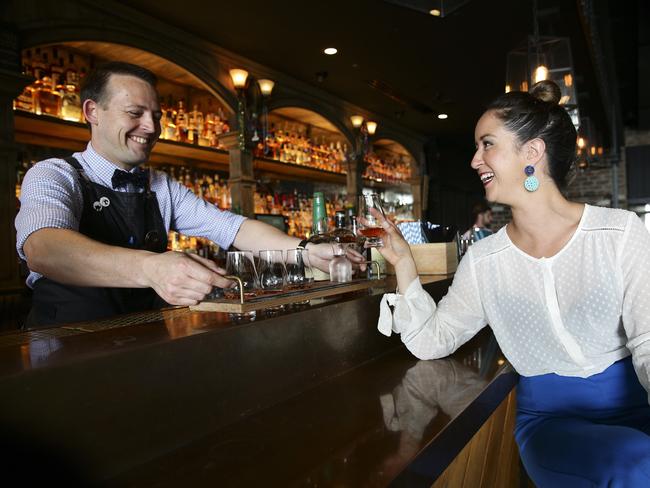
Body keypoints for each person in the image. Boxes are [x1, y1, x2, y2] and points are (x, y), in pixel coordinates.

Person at [373, 80, 650, 487]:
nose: (474, 160)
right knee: (634, 465)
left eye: (487, 144)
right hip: (551, 423)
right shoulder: (485, 261)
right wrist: (404, 263)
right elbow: (432, 340)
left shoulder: (620, 233)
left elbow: (647, 342)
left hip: (636, 406)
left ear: (532, 153)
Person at [15, 61, 364, 327]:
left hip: (143, 342)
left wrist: (305, 252)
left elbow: (235, 228)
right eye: (135, 114)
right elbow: (44, 249)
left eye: (156, 116)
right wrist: (152, 268)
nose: (151, 128)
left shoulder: (161, 185)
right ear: (92, 111)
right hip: (65, 345)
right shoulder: (54, 174)